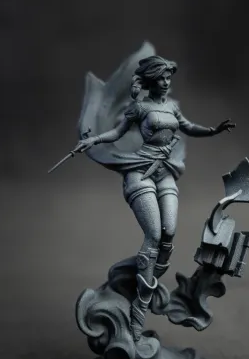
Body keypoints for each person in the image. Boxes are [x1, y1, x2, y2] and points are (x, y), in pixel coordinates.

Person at [75, 55, 235, 341]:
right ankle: (138, 314)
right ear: (150, 81)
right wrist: (93, 139)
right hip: (140, 170)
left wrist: (214, 131)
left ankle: (143, 280)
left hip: (165, 171)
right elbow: (116, 133)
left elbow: (188, 127)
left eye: (168, 77)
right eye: (160, 78)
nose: (165, 82)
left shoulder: (172, 106)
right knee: (153, 236)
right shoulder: (139, 107)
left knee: (169, 233)